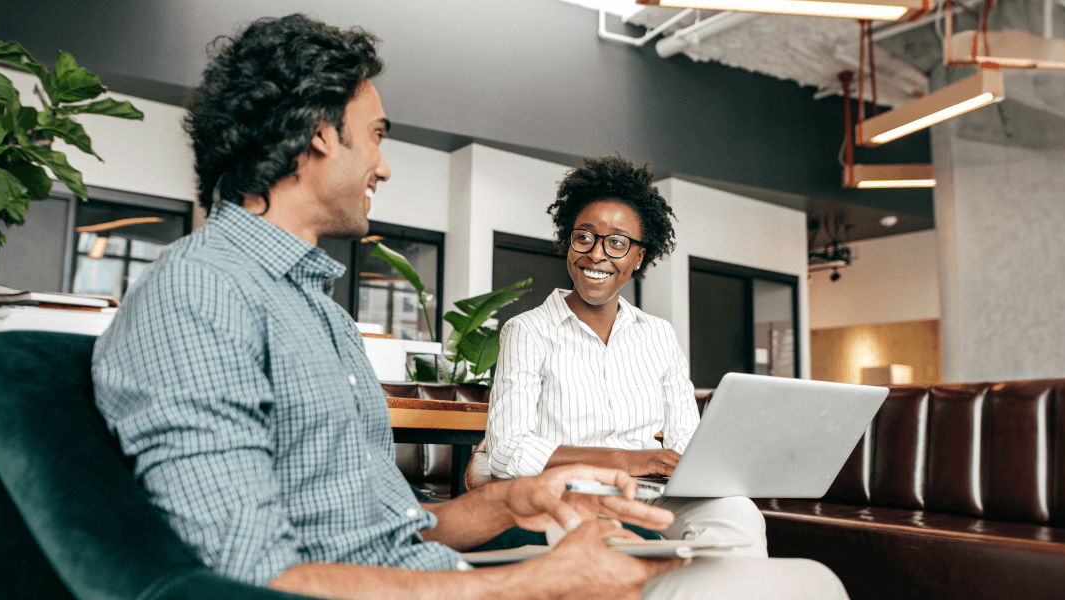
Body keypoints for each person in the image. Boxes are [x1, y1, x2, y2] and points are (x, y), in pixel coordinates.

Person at [93, 14, 847, 600]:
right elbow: (248, 577)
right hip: (444, 588)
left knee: (791, 572)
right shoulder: (198, 296)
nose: (383, 166)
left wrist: (518, 499)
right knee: (806, 584)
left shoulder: (313, 308)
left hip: (440, 575)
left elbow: (398, 526)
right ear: (320, 136)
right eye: (376, 136)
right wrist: (527, 582)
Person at [484, 155, 767, 556]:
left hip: (653, 493)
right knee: (626, 543)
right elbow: (507, 450)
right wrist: (622, 460)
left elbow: (685, 440)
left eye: (617, 243)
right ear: (568, 241)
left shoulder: (659, 335)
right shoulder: (527, 331)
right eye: (584, 237)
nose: (597, 255)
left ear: (638, 257)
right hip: (571, 494)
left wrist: (695, 465)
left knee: (738, 516)